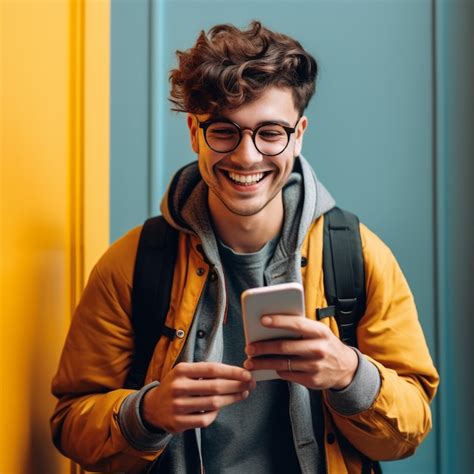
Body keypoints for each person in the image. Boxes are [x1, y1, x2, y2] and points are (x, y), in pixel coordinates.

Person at [51, 21, 439, 474]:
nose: (246, 156)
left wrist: (350, 374)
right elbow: (69, 424)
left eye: (270, 132)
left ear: (298, 134)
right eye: (223, 131)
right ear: (195, 133)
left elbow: (410, 429)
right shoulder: (131, 263)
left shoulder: (359, 255)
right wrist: (148, 412)